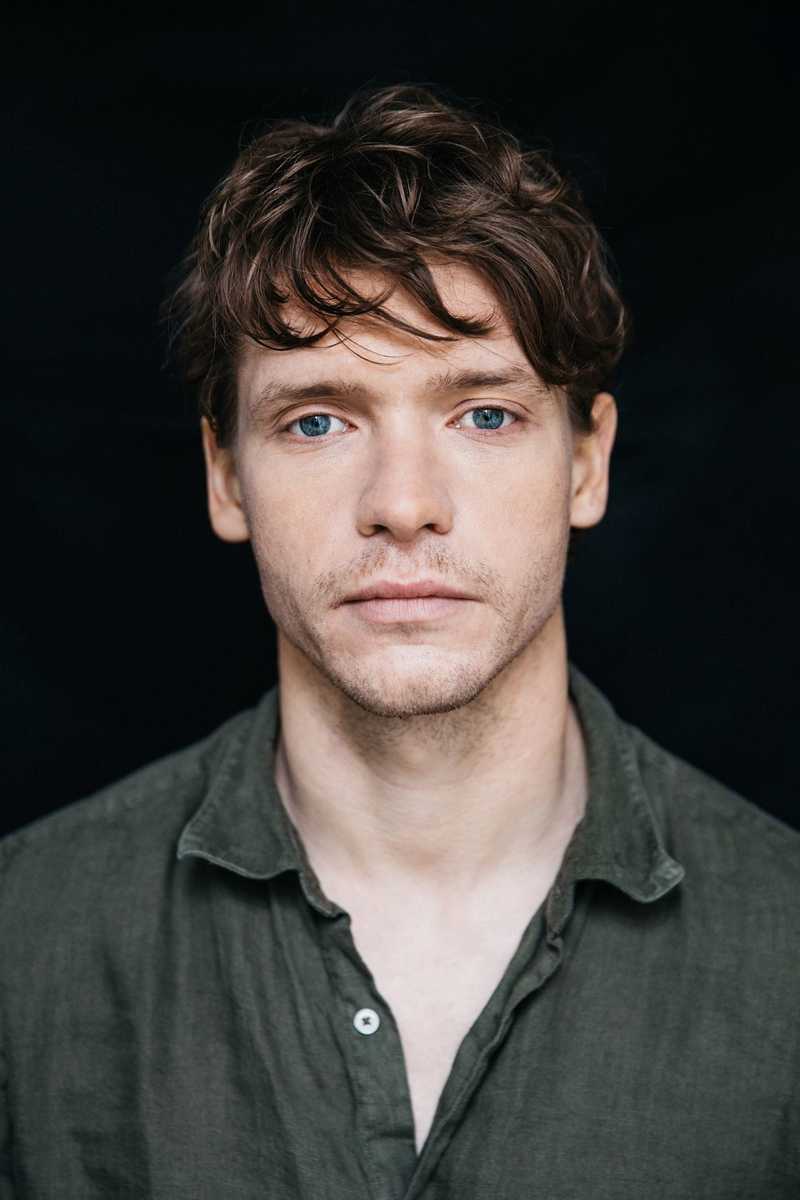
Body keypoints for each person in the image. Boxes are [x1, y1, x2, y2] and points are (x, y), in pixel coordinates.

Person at [1, 83, 797, 1199]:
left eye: (483, 413)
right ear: (226, 475)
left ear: (586, 462)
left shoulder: (785, 946)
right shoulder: (21, 943)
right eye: (316, 420)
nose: (403, 503)